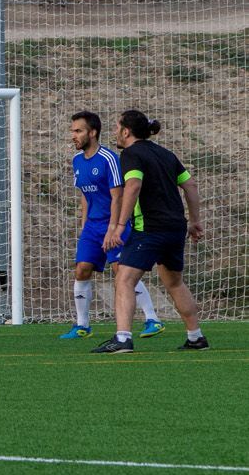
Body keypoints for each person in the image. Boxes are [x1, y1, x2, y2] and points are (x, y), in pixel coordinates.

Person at [92, 110, 207, 354]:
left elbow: (133, 185)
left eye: (117, 128)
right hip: (176, 228)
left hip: (149, 229)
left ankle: (123, 338)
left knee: (124, 279)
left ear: (126, 131)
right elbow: (190, 184)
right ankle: (196, 336)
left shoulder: (131, 154)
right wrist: (195, 221)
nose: (115, 132)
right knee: (174, 282)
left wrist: (119, 226)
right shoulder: (166, 154)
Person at [59, 111, 162, 339]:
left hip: (114, 224)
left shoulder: (109, 158)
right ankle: (82, 326)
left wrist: (113, 228)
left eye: (78, 131)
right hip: (92, 226)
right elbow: (85, 195)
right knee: (82, 269)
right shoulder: (77, 161)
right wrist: (85, 225)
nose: (73, 135)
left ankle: (152, 319)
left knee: (121, 272)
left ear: (92, 132)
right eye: (72, 131)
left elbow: (118, 196)